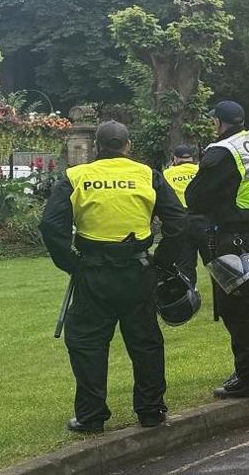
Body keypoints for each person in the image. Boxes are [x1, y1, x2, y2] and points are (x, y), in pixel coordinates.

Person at [39, 121, 191, 433]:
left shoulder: (76, 177)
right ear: (128, 146)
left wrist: (71, 263)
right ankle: (151, 411)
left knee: (87, 342)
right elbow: (178, 220)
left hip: (93, 272)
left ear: (96, 147)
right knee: (145, 342)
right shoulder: (147, 175)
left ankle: (91, 415)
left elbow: (51, 226)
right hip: (138, 270)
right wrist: (161, 260)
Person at [187, 100, 249, 400]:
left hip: (233, 239)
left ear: (219, 122)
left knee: (238, 311)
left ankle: (248, 378)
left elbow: (195, 197)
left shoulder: (221, 153)